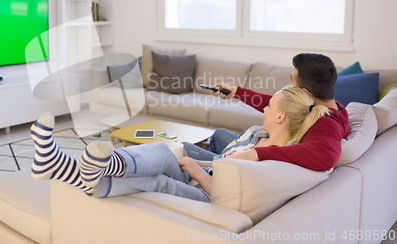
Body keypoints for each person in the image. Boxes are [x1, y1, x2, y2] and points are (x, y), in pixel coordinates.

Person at [30, 84, 330, 202]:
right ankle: (81, 167)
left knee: (159, 181)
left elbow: (229, 192)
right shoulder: (256, 133)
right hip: (201, 176)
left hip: (210, 195)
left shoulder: (273, 160)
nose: (263, 107)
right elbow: (220, 163)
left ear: (280, 119)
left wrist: (195, 171)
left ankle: (76, 171)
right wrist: (194, 162)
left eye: (269, 106)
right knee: (164, 150)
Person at [183, 53, 350, 171]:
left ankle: (212, 172)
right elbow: (278, 104)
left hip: (261, 160)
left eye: (291, 79)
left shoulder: (327, 125)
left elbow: (326, 156)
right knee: (220, 134)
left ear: (305, 92)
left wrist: (254, 154)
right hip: (262, 146)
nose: (289, 82)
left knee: (184, 148)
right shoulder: (334, 108)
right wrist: (237, 92)